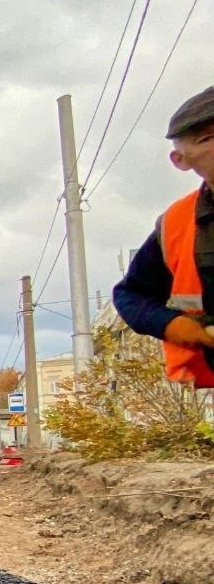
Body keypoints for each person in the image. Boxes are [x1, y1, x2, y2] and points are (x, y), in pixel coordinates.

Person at [114, 86, 214, 385]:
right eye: (207, 138)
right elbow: (130, 295)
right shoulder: (178, 224)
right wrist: (173, 324)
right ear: (181, 160)